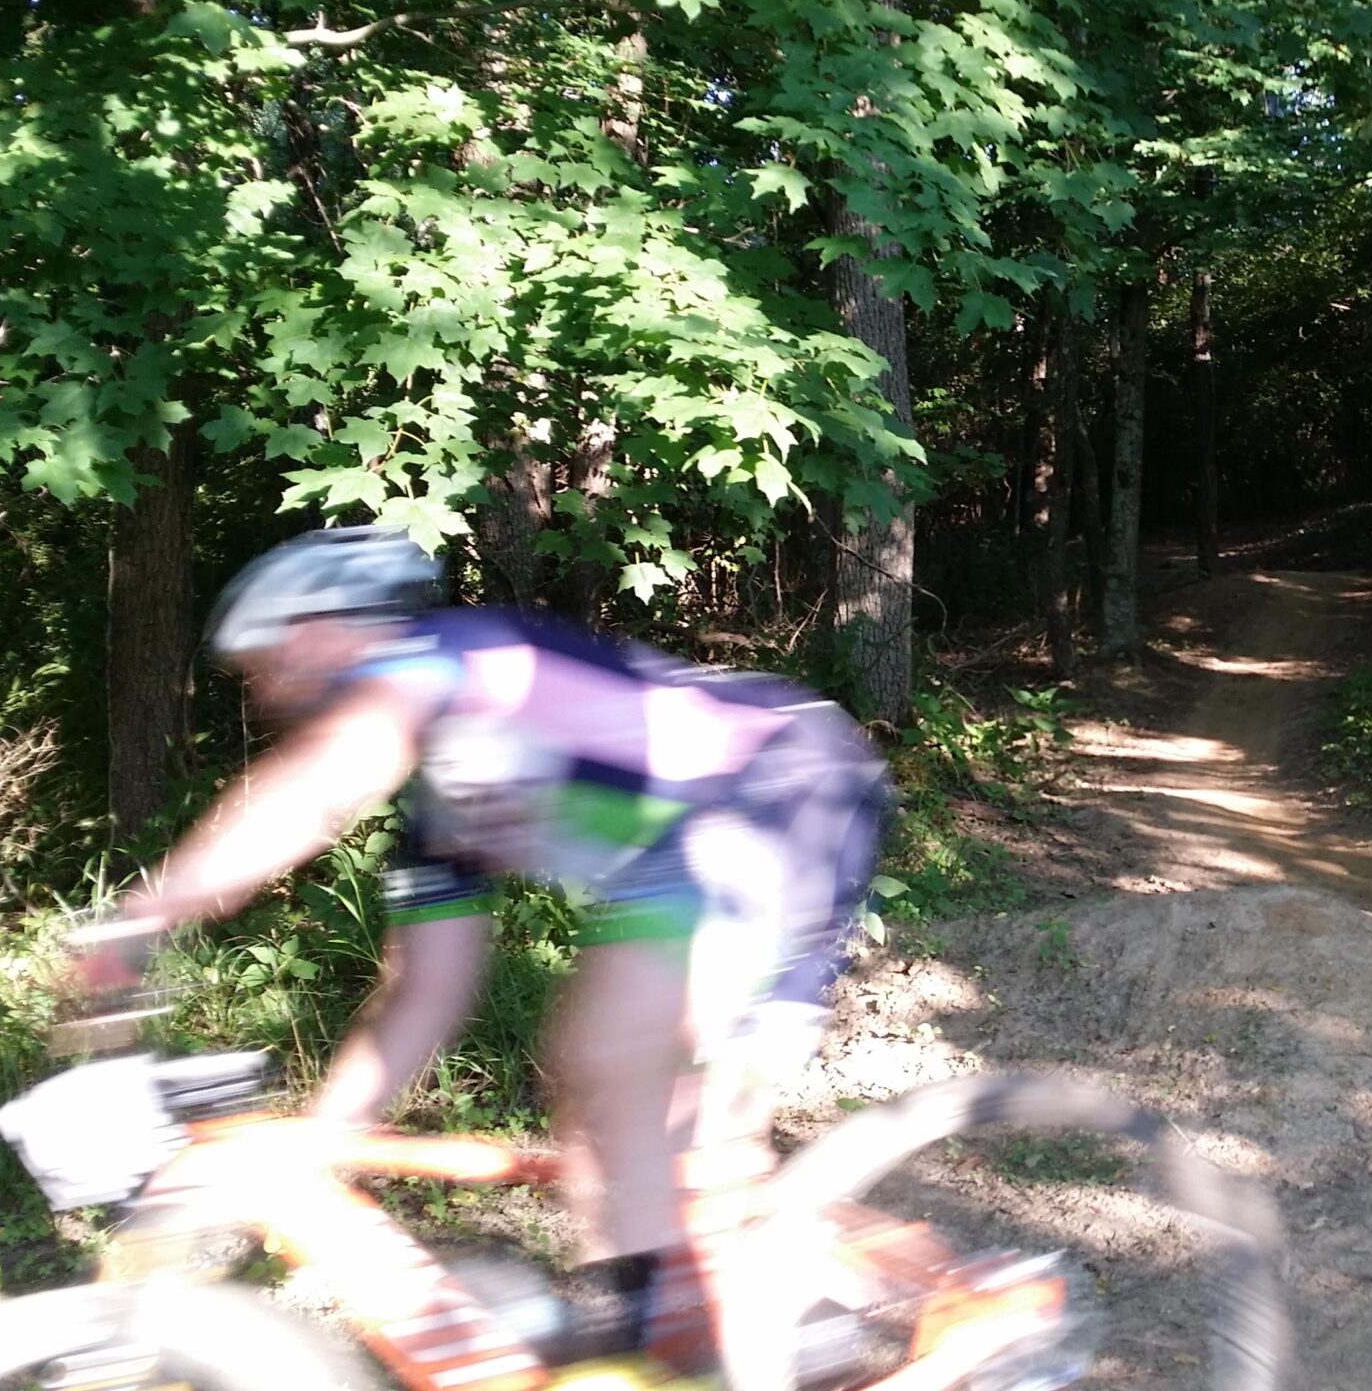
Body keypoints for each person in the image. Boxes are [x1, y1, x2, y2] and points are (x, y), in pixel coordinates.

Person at [68, 526, 891, 1374]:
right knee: (591, 1104)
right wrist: (318, 1144)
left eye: (266, 660)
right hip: (686, 850)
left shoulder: (456, 654)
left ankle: (800, 1333)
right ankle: (657, 1328)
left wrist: (141, 915)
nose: (266, 691)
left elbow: (318, 790)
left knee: (641, 1074)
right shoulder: (442, 811)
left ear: (325, 626)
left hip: (785, 785)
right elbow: (422, 993)